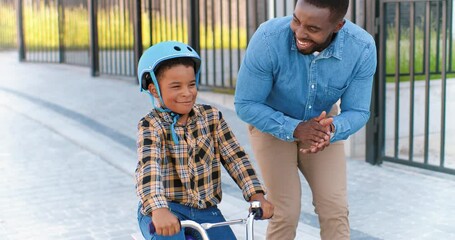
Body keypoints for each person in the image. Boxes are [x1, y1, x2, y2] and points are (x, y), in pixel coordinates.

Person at [234, 0, 377, 239]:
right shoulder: (268, 38)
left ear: (337, 26)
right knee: (285, 212)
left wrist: (332, 130)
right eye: (296, 20)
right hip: (271, 123)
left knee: (335, 210)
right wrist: (295, 128)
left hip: (322, 128)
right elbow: (246, 104)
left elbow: (359, 110)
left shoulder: (361, 48)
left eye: (312, 29)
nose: (299, 33)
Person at [135, 41, 274, 240]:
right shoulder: (151, 125)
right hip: (165, 210)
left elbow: (235, 158)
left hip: (206, 211)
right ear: (154, 89)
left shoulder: (211, 117)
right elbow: (149, 169)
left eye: (191, 84)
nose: (187, 92)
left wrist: (256, 195)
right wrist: (158, 210)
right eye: (176, 86)